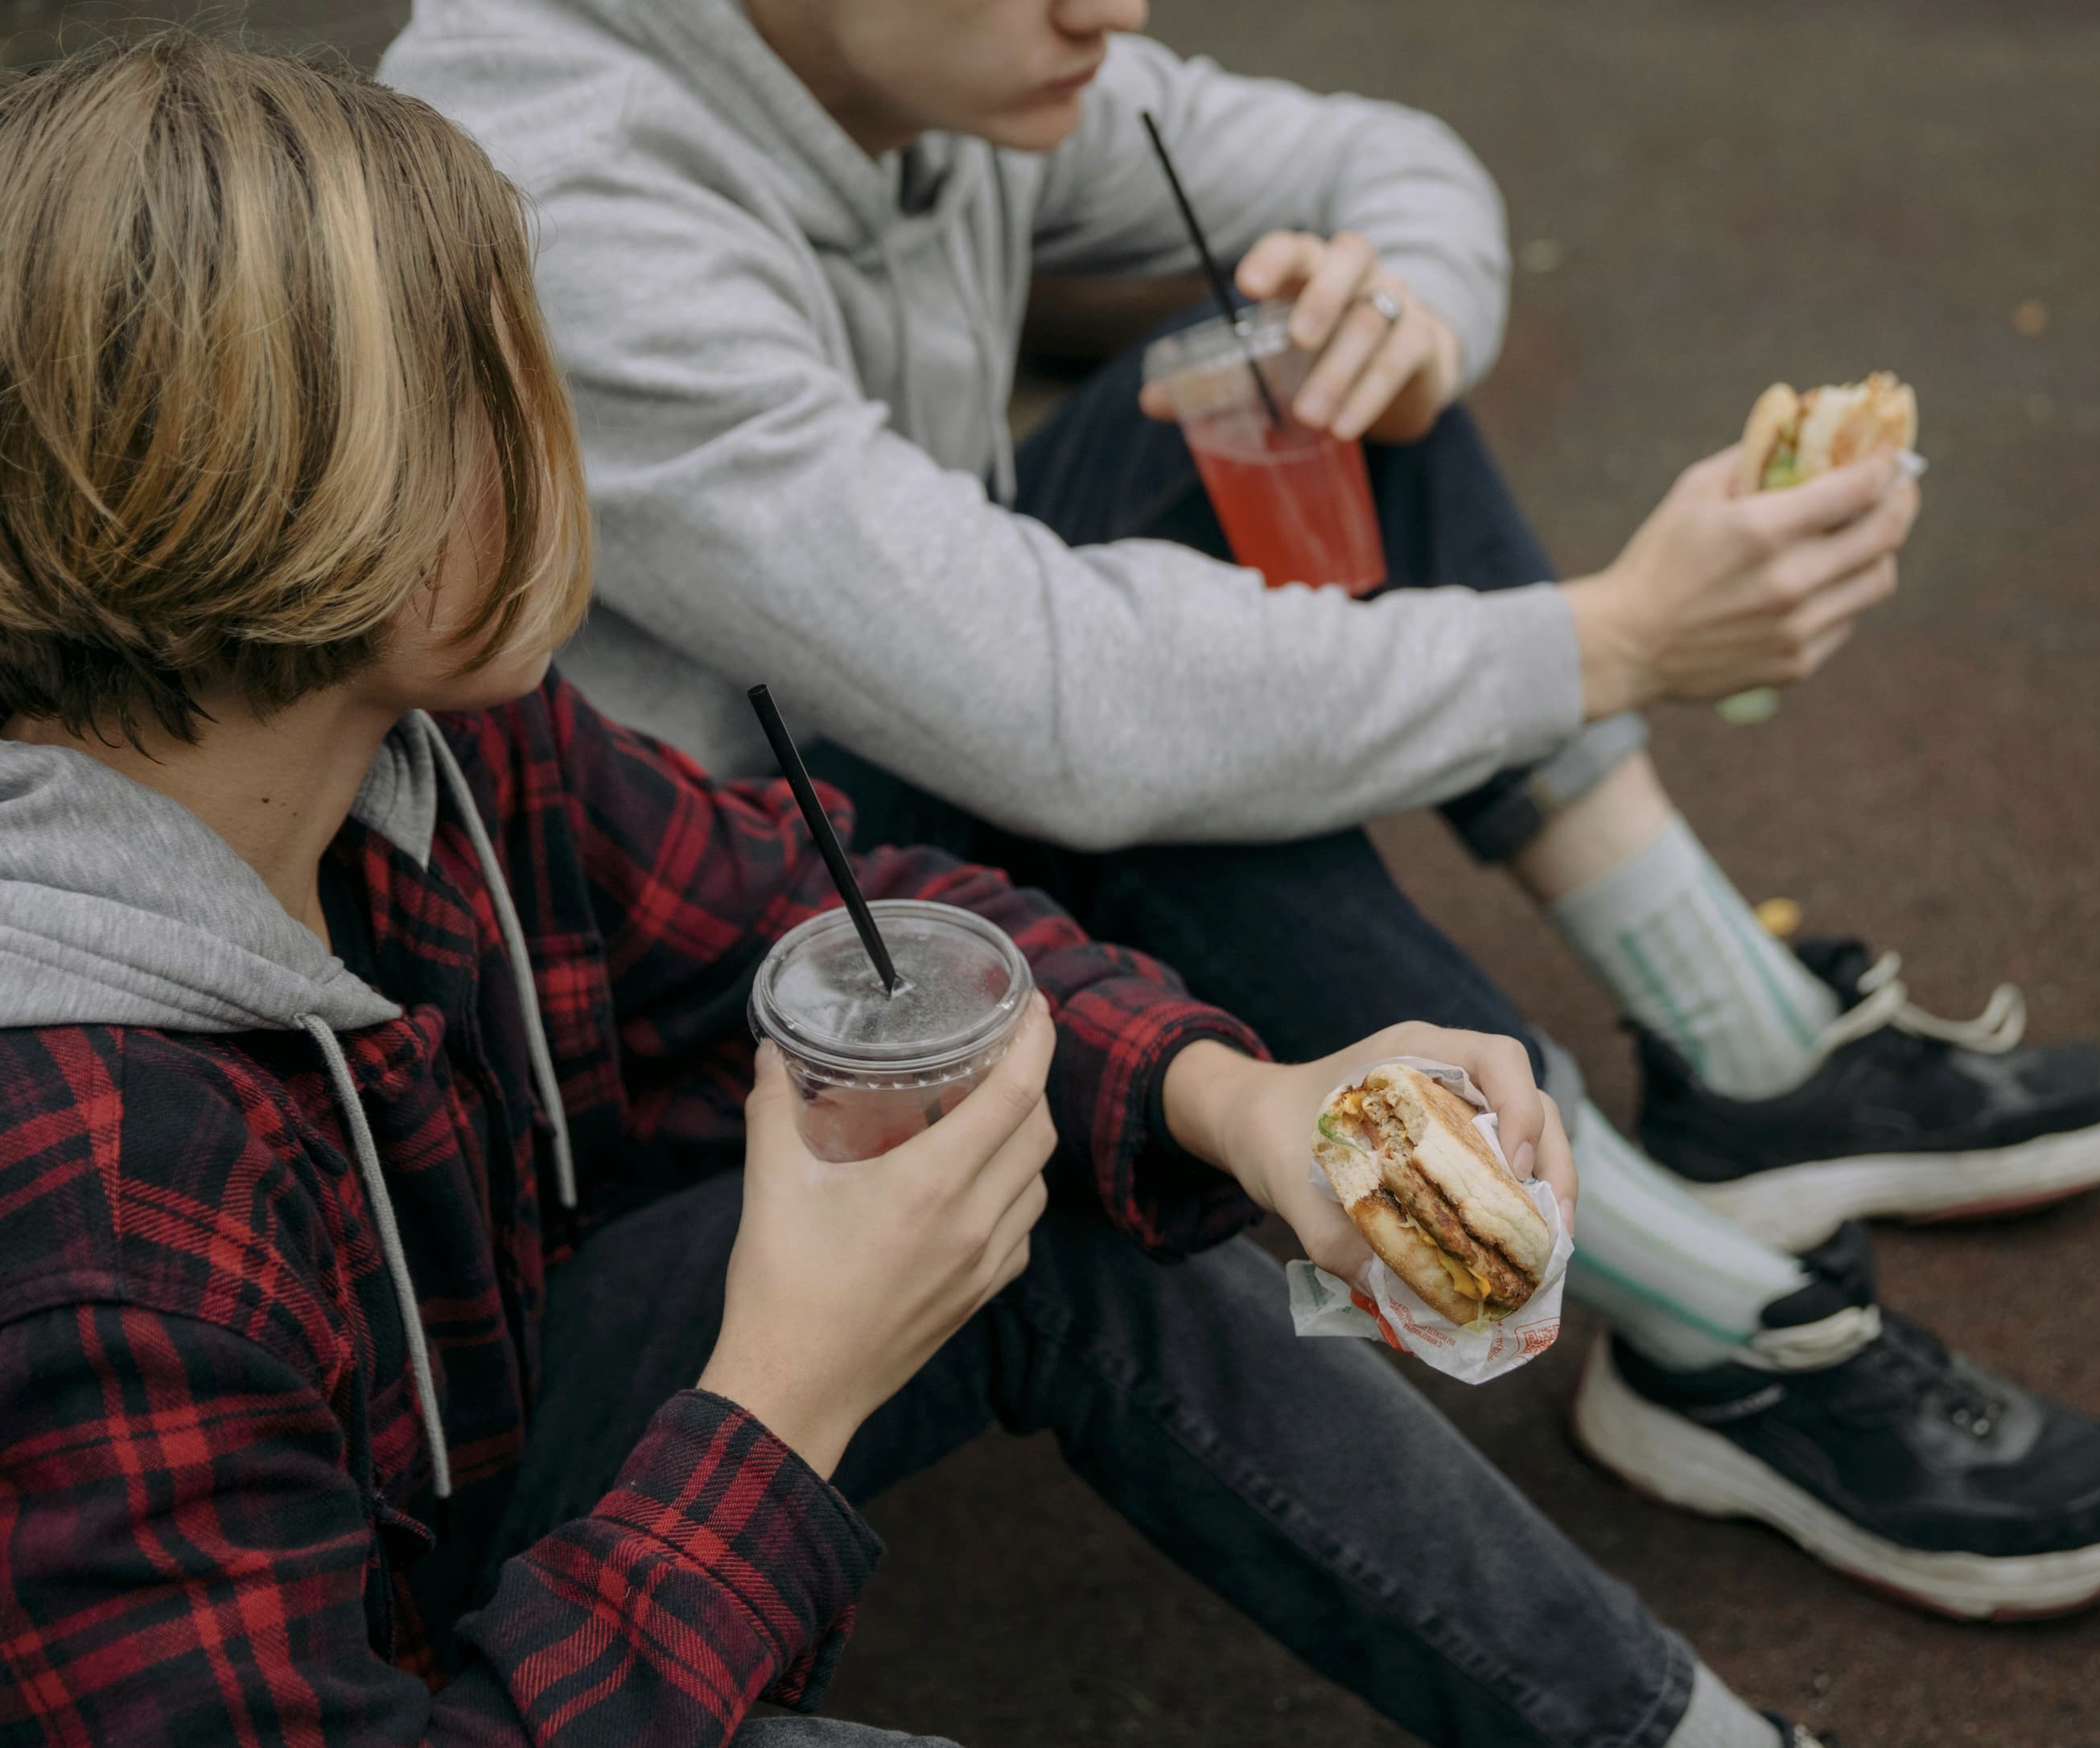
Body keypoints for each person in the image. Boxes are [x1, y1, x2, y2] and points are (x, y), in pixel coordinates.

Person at [0, 37, 1856, 1746]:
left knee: (1014, 1180)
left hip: (473, 1444)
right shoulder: (89, 1181)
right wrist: (783, 1389)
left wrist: (1249, 1100)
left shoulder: (429, 746)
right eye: (512, 388)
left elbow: (802, 913)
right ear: (331, 511)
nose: (568, 432)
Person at [381, 0, 2100, 1614]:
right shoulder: (565, 188)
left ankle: (1744, 1048)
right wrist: (1614, 640)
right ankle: (1703, 1321)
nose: (1115, 6)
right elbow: (1053, 706)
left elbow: (1382, 159)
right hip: (692, 953)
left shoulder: (936, 52)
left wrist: (1405, 320)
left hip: (930, 713)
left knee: (1305, 366)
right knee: (1151, 751)